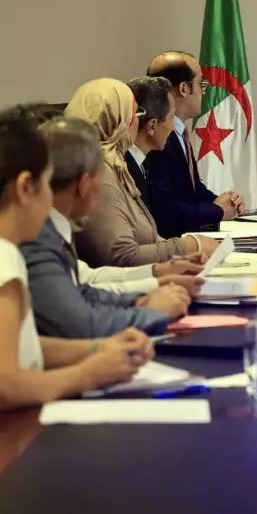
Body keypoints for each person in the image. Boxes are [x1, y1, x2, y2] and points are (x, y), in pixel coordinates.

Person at [0, 113, 152, 410]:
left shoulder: (11, 252)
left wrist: (98, 348)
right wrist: (86, 374)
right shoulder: (5, 257)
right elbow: (5, 386)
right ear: (25, 187)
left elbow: (22, 345)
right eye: (47, 184)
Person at [21, 116, 199, 338]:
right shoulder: (36, 237)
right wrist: (152, 312)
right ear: (84, 184)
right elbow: (81, 324)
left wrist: (148, 289)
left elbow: (83, 289)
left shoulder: (50, 228)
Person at [65, 78, 219, 266]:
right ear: (117, 119)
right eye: (134, 113)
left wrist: (185, 253)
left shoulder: (115, 165)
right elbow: (120, 255)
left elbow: (149, 237)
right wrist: (187, 247)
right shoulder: (100, 170)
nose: (137, 121)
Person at [144, 51, 244, 237]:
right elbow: (167, 211)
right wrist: (217, 210)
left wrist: (227, 202)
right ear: (184, 88)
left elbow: (192, 190)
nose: (203, 91)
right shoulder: (158, 138)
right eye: (201, 84)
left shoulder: (179, 132)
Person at [125, 76, 176, 208]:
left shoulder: (143, 164)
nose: (173, 127)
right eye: (171, 118)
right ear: (152, 126)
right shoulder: (124, 171)